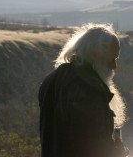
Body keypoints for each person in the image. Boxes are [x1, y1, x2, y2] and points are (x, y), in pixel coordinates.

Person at [38, 23, 129, 157]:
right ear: (96, 52)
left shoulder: (52, 79)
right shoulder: (90, 88)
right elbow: (94, 145)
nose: (114, 66)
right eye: (113, 58)